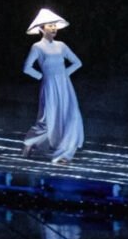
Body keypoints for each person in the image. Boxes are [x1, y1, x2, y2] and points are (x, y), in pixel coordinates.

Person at [22, 8, 84, 164]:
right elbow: (27, 67)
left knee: (70, 117)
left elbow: (77, 62)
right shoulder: (37, 47)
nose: (54, 28)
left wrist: (64, 74)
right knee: (46, 120)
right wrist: (43, 77)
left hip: (65, 86)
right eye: (50, 25)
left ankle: (64, 155)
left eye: (55, 25)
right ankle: (30, 143)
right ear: (42, 29)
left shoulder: (61, 45)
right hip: (49, 86)